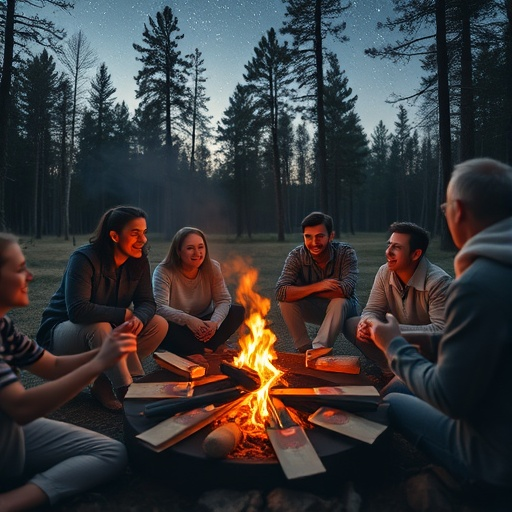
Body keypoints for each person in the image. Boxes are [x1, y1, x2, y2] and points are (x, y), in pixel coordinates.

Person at [368, 158, 512, 496]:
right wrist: (410, 337)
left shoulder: (477, 284)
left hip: (494, 459)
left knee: (389, 402)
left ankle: (384, 480)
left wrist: (394, 345)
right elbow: (480, 344)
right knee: (398, 387)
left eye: (446, 205)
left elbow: (451, 398)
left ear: (458, 210)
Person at [0, 233, 137, 511]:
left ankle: (17, 496)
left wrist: (105, 351)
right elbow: (21, 407)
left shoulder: (4, 327)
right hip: (10, 429)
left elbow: (52, 366)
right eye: (19, 269)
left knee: (111, 452)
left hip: (9, 432)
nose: (30, 276)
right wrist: (99, 363)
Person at [36, 206, 168, 411]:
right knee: (100, 327)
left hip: (108, 333)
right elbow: (78, 310)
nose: (142, 240)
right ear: (114, 236)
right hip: (62, 336)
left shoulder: (139, 261)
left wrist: (138, 319)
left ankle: (103, 382)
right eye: (135, 233)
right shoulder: (84, 259)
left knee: (158, 324)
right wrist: (123, 314)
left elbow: (147, 302)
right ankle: (128, 391)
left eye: (144, 233)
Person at [345, 222, 452, 370]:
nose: (388, 252)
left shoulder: (438, 282)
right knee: (353, 325)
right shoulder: (385, 272)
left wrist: (393, 331)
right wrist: (368, 323)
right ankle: (388, 370)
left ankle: (414, 372)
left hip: (427, 350)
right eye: (389, 245)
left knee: (396, 391)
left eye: (397, 247)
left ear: (416, 254)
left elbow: (441, 330)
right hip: (397, 340)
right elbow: (372, 309)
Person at [153, 227, 245, 356]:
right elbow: (159, 307)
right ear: (178, 251)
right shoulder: (164, 271)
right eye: (190, 248)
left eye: (200, 247)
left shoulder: (212, 267)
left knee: (237, 311)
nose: (197, 253)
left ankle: (196, 349)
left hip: (205, 324)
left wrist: (214, 323)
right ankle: (203, 349)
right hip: (179, 325)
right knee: (160, 324)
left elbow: (223, 300)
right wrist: (189, 320)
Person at [275, 211, 359, 353]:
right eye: (308, 237)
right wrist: (319, 286)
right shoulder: (296, 255)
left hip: (346, 311)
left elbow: (345, 291)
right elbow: (281, 292)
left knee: (339, 301)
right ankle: (303, 348)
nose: (314, 243)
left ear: (331, 236)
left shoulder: (345, 253)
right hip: (316, 309)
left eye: (320, 236)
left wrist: (300, 290)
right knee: (285, 301)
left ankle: (319, 349)